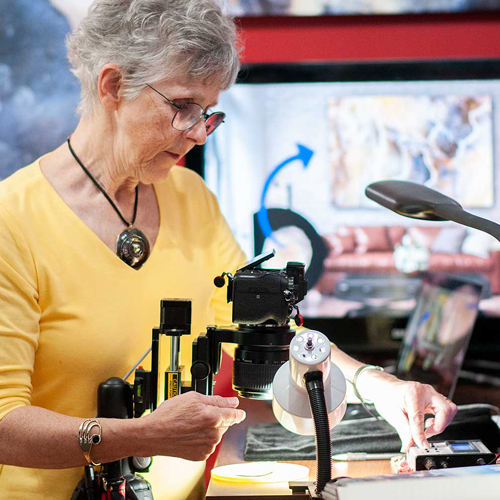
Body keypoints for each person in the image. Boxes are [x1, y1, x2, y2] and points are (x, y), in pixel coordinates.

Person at [0, 1, 457, 499]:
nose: (198, 134)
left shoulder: (191, 198)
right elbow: (4, 426)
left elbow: (266, 327)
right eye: (181, 107)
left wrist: (378, 386)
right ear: (112, 86)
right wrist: (141, 436)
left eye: (207, 113)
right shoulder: (13, 221)